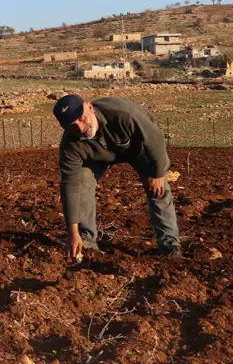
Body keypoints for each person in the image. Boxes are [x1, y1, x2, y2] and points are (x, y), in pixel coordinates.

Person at [53, 94, 181, 259]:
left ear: (90, 107)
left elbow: (155, 139)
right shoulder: (71, 144)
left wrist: (157, 173)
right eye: (72, 124)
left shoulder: (122, 114)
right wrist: (72, 232)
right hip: (98, 156)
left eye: (81, 118)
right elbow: (69, 186)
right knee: (82, 185)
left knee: (158, 189)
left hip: (138, 147)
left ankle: (169, 246)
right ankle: (87, 241)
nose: (79, 126)